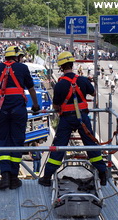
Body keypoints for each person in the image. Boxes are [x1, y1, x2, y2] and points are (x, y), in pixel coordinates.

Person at [39, 51, 107, 187]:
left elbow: (57, 106)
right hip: (82, 118)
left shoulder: (59, 85)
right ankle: (103, 174)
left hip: (67, 119)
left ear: (61, 67)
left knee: (59, 146)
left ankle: (47, 177)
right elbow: (93, 93)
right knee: (91, 145)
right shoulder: (82, 80)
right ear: (72, 64)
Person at [0, 45, 40, 190]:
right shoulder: (23, 68)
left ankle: (4, 176)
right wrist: (35, 106)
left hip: (2, 109)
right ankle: (14, 177)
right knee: (16, 141)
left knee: (3, 141)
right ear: (17, 57)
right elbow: (31, 89)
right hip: (18, 110)